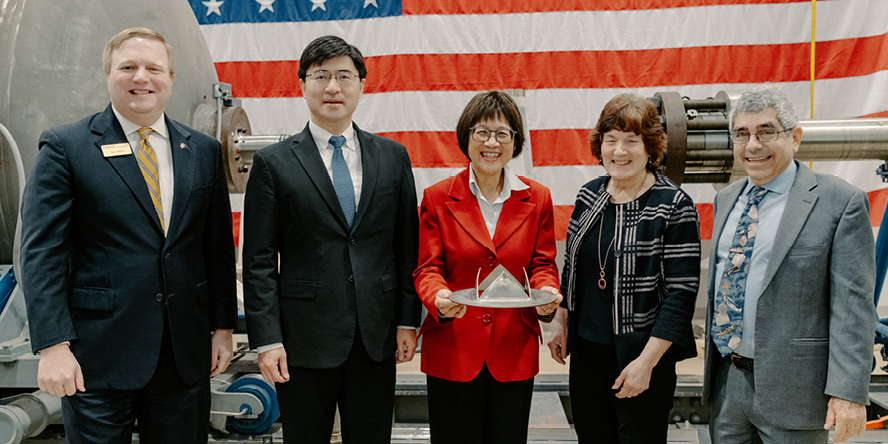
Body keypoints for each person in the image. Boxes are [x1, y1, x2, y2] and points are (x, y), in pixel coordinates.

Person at [18, 27, 237, 443]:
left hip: (184, 356)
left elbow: (216, 247)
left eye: (154, 68)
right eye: (128, 67)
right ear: (107, 74)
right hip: (97, 357)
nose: (142, 78)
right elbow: (42, 252)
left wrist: (222, 327)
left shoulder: (203, 151)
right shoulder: (67, 146)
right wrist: (52, 346)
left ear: (171, 78)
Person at [242, 35, 420, 444]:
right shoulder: (274, 163)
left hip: (375, 337)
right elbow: (259, 261)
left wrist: (408, 319)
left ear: (362, 84)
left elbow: (406, 246)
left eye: (344, 75)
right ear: (302, 84)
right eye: (321, 76)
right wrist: (267, 340)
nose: (333, 87)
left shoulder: (392, 157)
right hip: (302, 341)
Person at [701, 85, 875, 443]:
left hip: (797, 393)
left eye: (766, 132)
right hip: (728, 388)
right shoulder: (726, 200)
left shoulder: (839, 202)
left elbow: (853, 306)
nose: (753, 145)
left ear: (794, 138)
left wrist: (848, 392)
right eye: (742, 134)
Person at [547, 93, 701, 443]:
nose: (620, 151)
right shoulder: (590, 195)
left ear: (651, 148)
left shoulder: (673, 205)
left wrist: (646, 363)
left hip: (642, 354)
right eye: (611, 140)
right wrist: (561, 321)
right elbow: (572, 268)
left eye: (631, 141)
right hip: (587, 352)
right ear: (600, 146)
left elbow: (681, 294)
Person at [413, 90, 562, 444]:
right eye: (481, 132)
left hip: (513, 350)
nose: (491, 143)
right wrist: (439, 297)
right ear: (466, 137)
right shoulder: (437, 197)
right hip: (453, 349)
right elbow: (427, 268)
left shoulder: (537, 198)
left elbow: (542, 263)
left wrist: (547, 292)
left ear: (515, 142)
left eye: (502, 133)